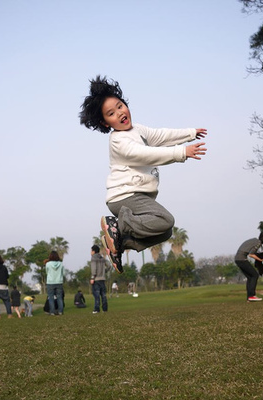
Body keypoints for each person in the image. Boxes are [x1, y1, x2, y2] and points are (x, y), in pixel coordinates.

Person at [79, 76, 207, 273]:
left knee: (164, 231)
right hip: (125, 197)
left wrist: (189, 133)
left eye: (120, 106)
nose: (120, 113)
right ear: (106, 124)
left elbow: (161, 136)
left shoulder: (137, 130)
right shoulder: (118, 141)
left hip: (137, 196)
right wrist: (182, 152)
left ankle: (121, 242)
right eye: (111, 113)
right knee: (166, 220)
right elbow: (146, 155)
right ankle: (118, 226)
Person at [235, 232, 263, 302]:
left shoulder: (254, 240)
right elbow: (251, 254)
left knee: (250, 277)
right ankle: (252, 295)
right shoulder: (258, 243)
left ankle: (249, 297)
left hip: (237, 259)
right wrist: (260, 259)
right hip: (242, 259)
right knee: (255, 275)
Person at [90, 244, 110, 314]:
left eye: (91, 250)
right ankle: (105, 309)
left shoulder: (93, 258)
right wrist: (105, 271)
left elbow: (94, 268)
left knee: (97, 295)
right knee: (103, 295)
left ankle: (97, 309)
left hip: (96, 279)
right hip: (103, 278)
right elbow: (109, 265)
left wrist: (92, 277)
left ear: (93, 251)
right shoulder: (102, 258)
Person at [44, 251, 64, 315]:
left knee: (51, 298)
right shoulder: (61, 264)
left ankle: (52, 312)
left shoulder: (48, 264)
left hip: (50, 282)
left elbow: (47, 272)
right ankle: (60, 311)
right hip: (59, 282)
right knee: (59, 297)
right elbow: (63, 273)